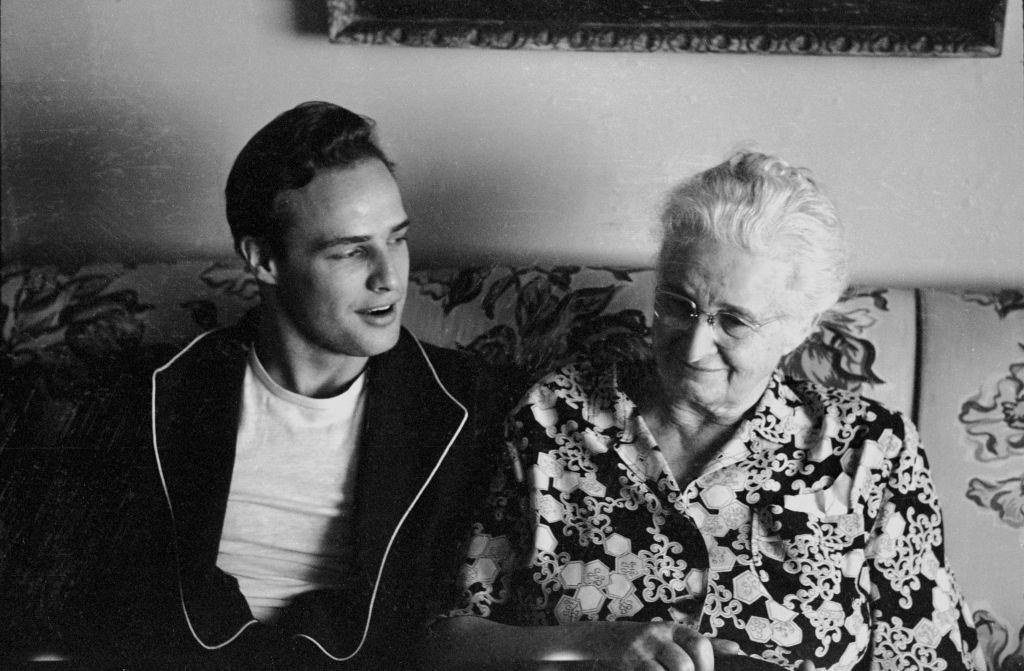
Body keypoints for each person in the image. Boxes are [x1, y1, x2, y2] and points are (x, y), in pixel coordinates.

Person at [423, 152, 982, 670]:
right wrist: (597, 644)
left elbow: (933, 656)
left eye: (734, 321)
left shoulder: (869, 451)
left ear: (801, 326)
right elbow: (448, 640)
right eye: (678, 306)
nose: (692, 348)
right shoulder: (553, 416)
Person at [61, 101, 506, 669]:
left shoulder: (467, 401)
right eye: (351, 251)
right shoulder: (150, 394)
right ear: (265, 260)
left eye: (396, 239)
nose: (390, 278)